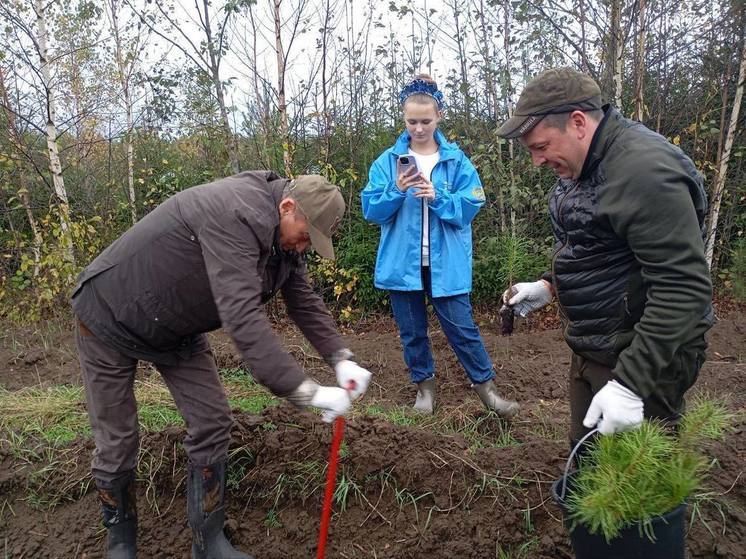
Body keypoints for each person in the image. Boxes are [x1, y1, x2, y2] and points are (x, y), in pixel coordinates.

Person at [71, 171, 373, 559]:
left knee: (213, 421)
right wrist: (305, 391)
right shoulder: (235, 213)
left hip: (176, 326)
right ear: (287, 207)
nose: (305, 247)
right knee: (118, 439)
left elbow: (303, 300)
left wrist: (341, 358)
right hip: (110, 313)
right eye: (305, 235)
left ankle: (208, 543)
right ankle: (121, 542)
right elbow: (242, 318)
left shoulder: (285, 243)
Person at [497, 67, 714, 450]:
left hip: (644, 356)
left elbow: (682, 287)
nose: (536, 161)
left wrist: (631, 385)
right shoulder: (587, 162)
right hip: (597, 345)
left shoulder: (645, 171)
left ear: (578, 123)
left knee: (641, 489)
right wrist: (550, 284)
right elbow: (596, 242)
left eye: (541, 147)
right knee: (587, 472)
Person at [361, 75, 519, 417]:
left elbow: (473, 203)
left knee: (463, 329)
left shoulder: (457, 161)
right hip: (402, 264)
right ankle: (424, 391)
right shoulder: (387, 161)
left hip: (447, 262)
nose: (418, 128)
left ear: (440, 117)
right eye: (411, 121)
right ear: (404, 119)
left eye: (425, 121)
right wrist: (397, 190)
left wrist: (438, 196)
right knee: (412, 333)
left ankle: (487, 391)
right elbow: (371, 210)